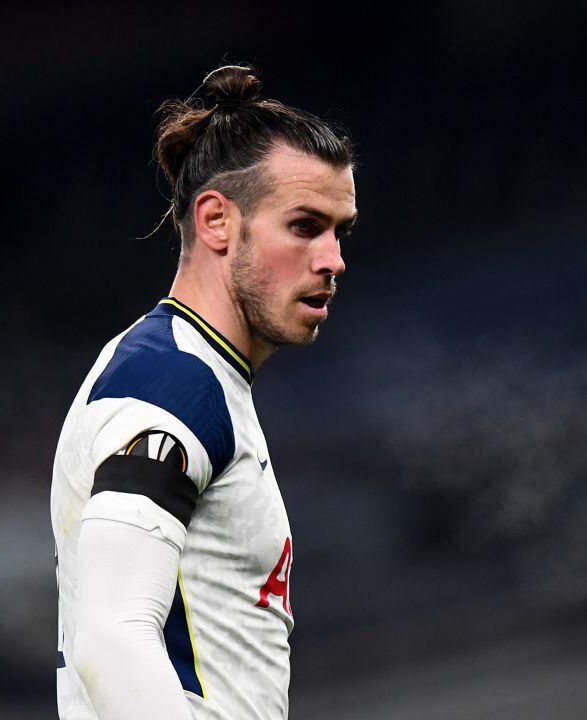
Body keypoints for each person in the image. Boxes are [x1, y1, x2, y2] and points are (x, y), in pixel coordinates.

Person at [50, 64, 357, 720]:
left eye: (341, 231)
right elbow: (110, 640)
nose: (333, 258)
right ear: (217, 220)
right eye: (305, 226)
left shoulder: (193, 374)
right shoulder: (172, 386)